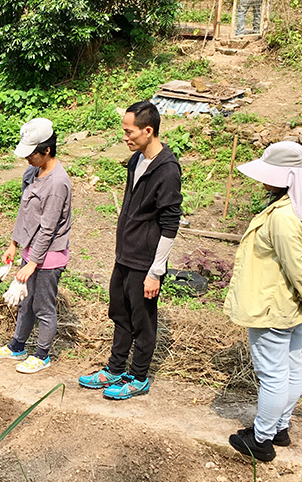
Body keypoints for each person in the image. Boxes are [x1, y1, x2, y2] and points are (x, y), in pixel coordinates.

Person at [225, 141, 302, 462]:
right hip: (293, 308)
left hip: (271, 305)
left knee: (273, 375)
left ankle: (261, 439)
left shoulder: (284, 216)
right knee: (291, 366)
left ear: (285, 177)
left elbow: (296, 267)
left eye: (269, 174)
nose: (263, 180)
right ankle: (281, 426)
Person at [78, 100, 182, 400]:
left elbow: (170, 223)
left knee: (143, 319)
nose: (125, 138)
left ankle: (138, 376)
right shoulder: (137, 160)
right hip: (125, 254)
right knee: (120, 312)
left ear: (148, 131)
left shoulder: (167, 169)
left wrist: (156, 271)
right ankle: (115, 367)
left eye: (129, 132)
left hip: (145, 261)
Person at [0, 118, 71, 374]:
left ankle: (42, 355)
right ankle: (17, 347)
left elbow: (48, 228)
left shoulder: (57, 183)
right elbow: (24, 214)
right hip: (31, 252)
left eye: (32, 154)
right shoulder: (31, 173)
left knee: (42, 306)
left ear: (46, 150)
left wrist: (33, 263)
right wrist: (14, 244)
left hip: (48, 257)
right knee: (26, 302)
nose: (27, 159)